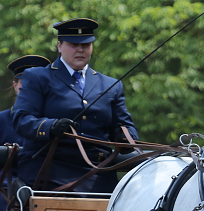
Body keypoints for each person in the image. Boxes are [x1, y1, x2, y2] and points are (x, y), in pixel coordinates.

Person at [12, 18, 139, 192]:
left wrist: (125, 136)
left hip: (98, 174)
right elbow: (21, 120)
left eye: (86, 45)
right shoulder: (38, 77)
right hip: (50, 169)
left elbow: (126, 126)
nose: (80, 50)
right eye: (73, 44)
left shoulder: (110, 84)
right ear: (59, 46)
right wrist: (51, 126)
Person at [0, 54, 51, 211]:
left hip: (48, 199)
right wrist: (17, 189)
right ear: (15, 85)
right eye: (26, 84)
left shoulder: (52, 124)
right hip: (5, 203)